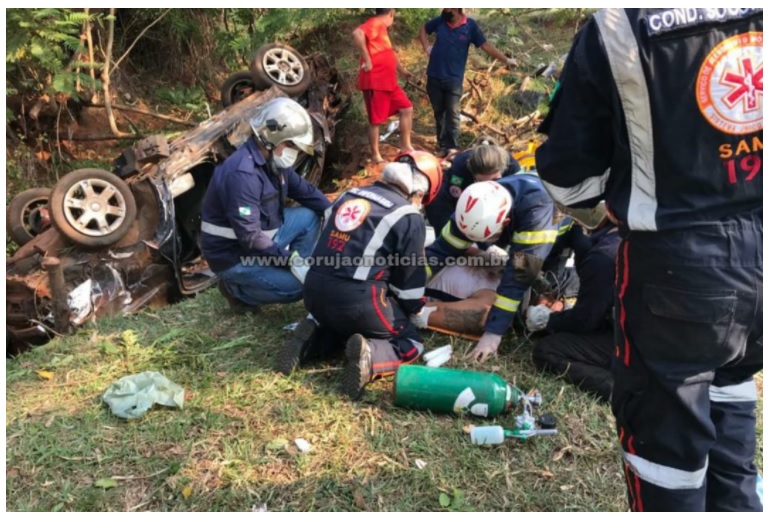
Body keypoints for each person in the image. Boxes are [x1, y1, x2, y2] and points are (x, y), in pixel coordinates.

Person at [536, 8, 762, 511]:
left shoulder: (618, 24)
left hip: (678, 268)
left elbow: (567, 177)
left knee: (665, 456)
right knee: (731, 386)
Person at [275, 151, 442, 400]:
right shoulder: (407, 215)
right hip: (360, 301)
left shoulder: (348, 195)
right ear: (418, 193)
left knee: (341, 328)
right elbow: (409, 282)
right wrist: (414, 309)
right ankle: (371, 357)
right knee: (409, 342)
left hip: (314, 291)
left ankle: (312, 340)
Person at [200, 97, 331, 314]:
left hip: (264, 236)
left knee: (309, 216)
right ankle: (236, 291)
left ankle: (299, 269)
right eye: (290, 144)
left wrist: (333, 211)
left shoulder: (274, 162)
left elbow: (305, 192)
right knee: (298, 288)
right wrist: (288, 259)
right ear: (271, 138)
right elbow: (250, 237)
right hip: (234, 254)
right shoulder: (242, 175)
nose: (293, 152)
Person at [426, 176, 555, 362]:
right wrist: (410, 288)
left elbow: (519, 276)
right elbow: (441, 250)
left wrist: (493, 333)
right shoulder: (478, 203)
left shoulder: (536, 216)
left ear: (506, 222)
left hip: (553, 227)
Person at [530, 215, 621, 401]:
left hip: (640, 344)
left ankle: (617, 388)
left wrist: (548, 319)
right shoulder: (640, 234)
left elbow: (585, 321)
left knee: (547, 350)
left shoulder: (604, 256)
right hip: (670, 338)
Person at [419, 9, 518, 155]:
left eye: (448, 7)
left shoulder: (470, 26)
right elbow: (423, 29)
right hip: (434, 75)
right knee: (439, 112)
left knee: (452, 113)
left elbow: (485, 45)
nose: (444, 9)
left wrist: (506, 60)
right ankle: (441, 145)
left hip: (453, 79)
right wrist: (427, 47)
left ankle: (452, 148)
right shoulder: (440, 20)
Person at [353, 8, 414, 164]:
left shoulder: (382, 29)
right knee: (376, 120)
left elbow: (388, 53)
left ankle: (406, 146)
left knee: (406, 108)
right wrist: (367, 59)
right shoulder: (375, 23)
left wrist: (402, 71)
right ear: (391, 12)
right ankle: (375, 156)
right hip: (376, 81)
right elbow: (357, 34)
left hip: (389, 82)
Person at [425, 143, 520, 234]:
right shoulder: (460, 167)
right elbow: (454, 198)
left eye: (494, 180)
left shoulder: (511, 166)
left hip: (498, 201)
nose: (489, 185)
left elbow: (516, 200)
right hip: (464, 191)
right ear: (472, 173)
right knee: (438, 197)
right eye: (482, 181)